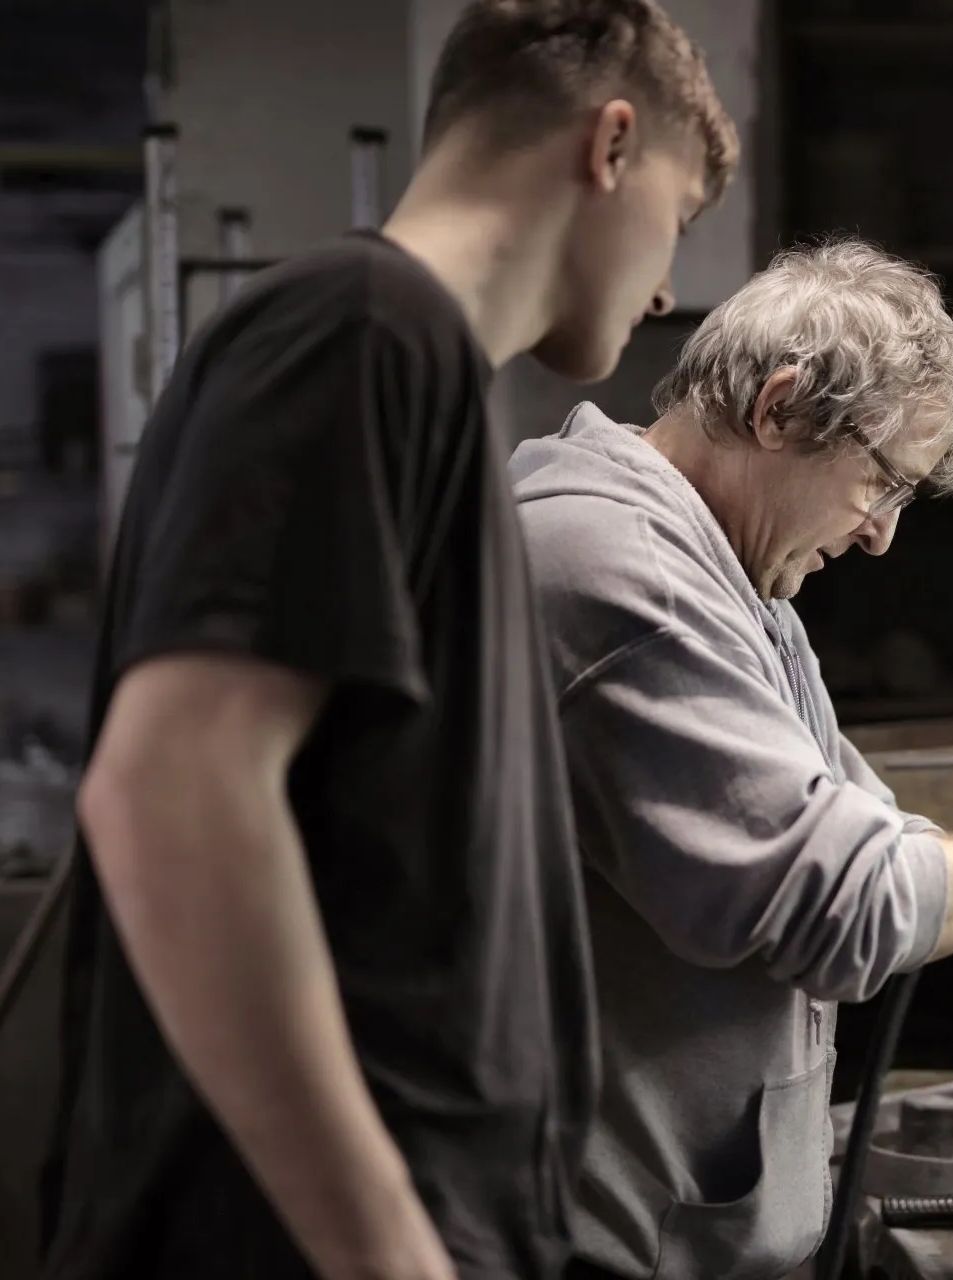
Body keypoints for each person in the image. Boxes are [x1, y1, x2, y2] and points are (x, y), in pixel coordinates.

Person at [39, 5, 738, 1279]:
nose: (669, 287)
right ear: (613, 144)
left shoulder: (407, 370)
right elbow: (173, 792)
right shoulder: (363, 331)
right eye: (679, 221)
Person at [508, 240, 953, 1280]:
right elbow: (849, 904)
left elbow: (878, 840)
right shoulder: (618, 576)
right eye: (881, 482)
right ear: (778, 407)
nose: (880, 538)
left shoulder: (737, 584)